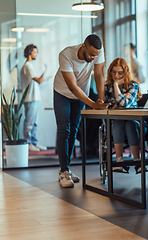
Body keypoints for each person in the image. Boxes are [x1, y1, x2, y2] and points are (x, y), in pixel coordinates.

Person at [54, 34, 109, 188]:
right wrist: (92, 103)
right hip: (62, 93)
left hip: (81, 95)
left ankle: (67, 169)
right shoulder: (66, 54)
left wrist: (101, 100)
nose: (93, 58)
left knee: (74, 130)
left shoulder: (98, 51)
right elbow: (72, 86)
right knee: (64, 128)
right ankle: (63, 171)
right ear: (83, 46)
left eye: (96, 55)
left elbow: (99, 75)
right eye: (91, 54)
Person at [105, 57, 144, 174]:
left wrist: (117, 92)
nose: (116, 75)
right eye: (114, 72)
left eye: (120, 73)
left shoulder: (133, 85)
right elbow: (111, 108)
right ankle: (119, 161)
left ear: (125, 73)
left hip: (135, 121)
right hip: (116, 122)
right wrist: (119, 94)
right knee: (117, 122)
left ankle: (137, 161)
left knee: (130, 124)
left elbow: (124, 105)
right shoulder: (107, 87)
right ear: (110, 72)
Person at [20, 44, 47, 152]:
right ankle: (28, 143)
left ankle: (34, 143)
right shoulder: (28, 66)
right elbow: (39, 80)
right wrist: (46, 71)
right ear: (30, 52)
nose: (36, 54)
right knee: (29, 122)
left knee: (34, 122)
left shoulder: (30, 65)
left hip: (34, 98)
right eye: (35, 52)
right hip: (30, 98)